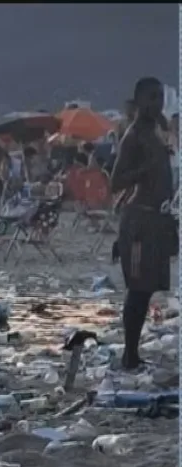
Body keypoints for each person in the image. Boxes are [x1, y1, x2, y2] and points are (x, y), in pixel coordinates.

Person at [110, 76, 176, 371]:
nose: (157, 103)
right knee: (137, 289)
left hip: (158, 220)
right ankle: (129, 354)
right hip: (139, 220)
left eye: (160, 97)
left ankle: (133, 353)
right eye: (152, 97)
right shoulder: (134, 135)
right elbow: (115, 182)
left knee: (148, 288)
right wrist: (148, 167)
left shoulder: (157, 130)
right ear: (138, 101)